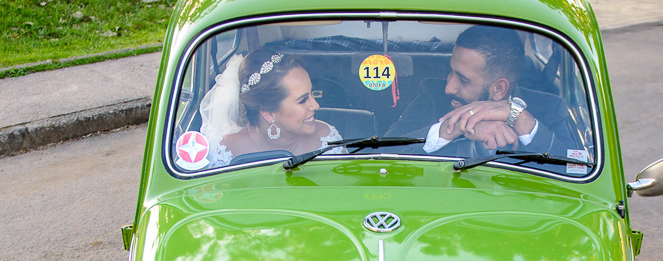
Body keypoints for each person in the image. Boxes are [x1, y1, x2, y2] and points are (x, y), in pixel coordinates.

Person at [387, 26, 574, 157]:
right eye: (450, 71)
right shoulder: (433, 95)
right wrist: (455, 127)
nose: (449, 87)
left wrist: (520, 119)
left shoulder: (551, 108)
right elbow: (379, 155)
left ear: (499, 89)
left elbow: (577, 171)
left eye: (463, 79)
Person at [199, 48, 345, 167]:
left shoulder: (327, 139)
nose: (316, 105)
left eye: (312, 94)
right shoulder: (225, 153)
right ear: (269, 113)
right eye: (302, 100)